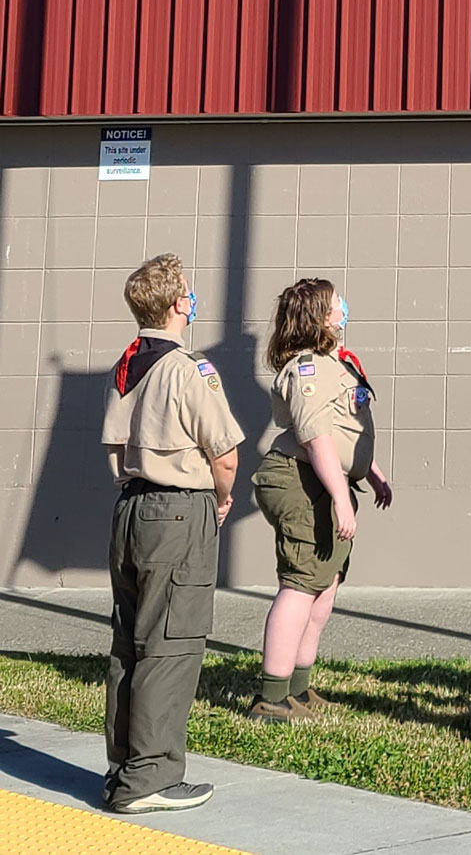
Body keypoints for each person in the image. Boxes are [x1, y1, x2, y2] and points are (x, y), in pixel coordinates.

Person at [101, 253, 242, 814]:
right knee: (170, 643)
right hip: (177, 509)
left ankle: (123, 767)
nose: (193, 297)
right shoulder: (189, 369)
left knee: (127, 643)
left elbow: (113, 447)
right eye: (188, 290)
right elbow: (225, 454)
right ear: (179, 304)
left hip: (129, 507)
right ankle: (152, 776)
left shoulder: (126, 365)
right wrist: (223, 497)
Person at [249, 279, 392, 722]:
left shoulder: (336, 364)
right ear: (318, 317)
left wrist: (370, 472)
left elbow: (344, 430)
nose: (342, 308)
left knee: (323, 586)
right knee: (300, 584)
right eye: (334, 303)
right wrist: (341, 498)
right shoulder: (307, 368)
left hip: (324, 478)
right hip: (299, 478)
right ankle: (270, 698)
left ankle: (298, 689)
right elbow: (315, 436)